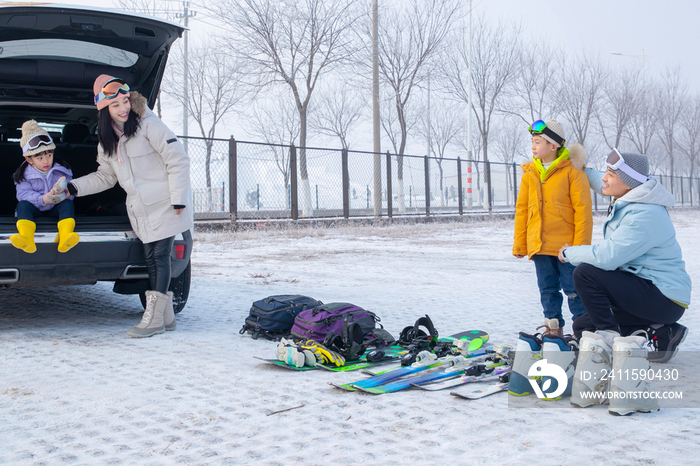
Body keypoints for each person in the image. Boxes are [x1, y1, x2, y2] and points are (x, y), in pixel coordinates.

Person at [67, 75, 193, 338]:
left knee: (160, 256)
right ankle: (167, 317)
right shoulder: (107, 141)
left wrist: (179, 197)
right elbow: (105, 177)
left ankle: (155, 318)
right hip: (140, 208)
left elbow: (178, 159)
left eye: (125, 101)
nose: (124, 108)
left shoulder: (149, 124)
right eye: (116, 105)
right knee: (150, 258)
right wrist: (73, 187)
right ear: (104, 110)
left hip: (167, 203)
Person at [559, 149, 690, 363]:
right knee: (582, 327)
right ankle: (664, 333)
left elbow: (608, 257)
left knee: (585, 273)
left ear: (628, 183)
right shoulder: (634, 195)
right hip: (649, 291)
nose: (604, 178)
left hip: (664, 297)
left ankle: (608, 340)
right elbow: (604, 183)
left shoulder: (645, 214)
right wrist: (582, 168)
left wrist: (569, 252)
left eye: (610, 174)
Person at [513, 119, 593, 336]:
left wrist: (580, 247)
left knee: (574, 290)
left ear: (553, 145)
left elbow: (583, 212)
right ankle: (553, 330)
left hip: (566, 248)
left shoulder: (573, 172)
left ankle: (584, 331)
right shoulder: (530, 173)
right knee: (547, 291)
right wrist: (520, 244)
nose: (533, 146)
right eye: (532, 141)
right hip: (539, 246)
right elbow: (522, 210)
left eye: (538, 142)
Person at [10, 120, 79, 254]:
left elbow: (70, 192)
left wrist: (60, 193)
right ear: (29, 160)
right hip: (35, 208)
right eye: (39, 158)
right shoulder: (23, 175)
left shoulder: (62, 170)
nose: (46, 161)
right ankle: (26, 237)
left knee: (67, 205)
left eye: (49, 155)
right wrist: (43, 199)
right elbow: (22, 195)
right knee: (22, 206)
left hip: (55, 208)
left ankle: (65, 236)